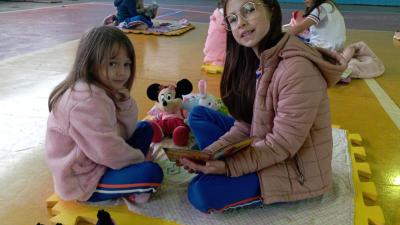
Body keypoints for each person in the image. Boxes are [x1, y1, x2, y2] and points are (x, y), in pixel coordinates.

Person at [179, 0, 347, 213]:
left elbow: (282, 144)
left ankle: (230, 168)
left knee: (201, 192)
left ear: (271, 10)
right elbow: (245, 125)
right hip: (263, 141)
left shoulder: (298, 69)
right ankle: (213, 161)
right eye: (232, 19)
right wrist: (210, 155)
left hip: (293, 167)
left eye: (248, 9)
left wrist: (228, 166)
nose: (240, 23)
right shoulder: (252, 58)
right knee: (199, 115)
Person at [46, 26, 163, 203]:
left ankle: (130, 178)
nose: (122, 72)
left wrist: (124, 103)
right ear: (90, 64)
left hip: (100, 160)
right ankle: (132, 185)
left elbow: (126, 132)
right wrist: (140, 159)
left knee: (146, 127)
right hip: (84, 181)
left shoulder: (101, 89)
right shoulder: (85, 101)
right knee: (152, 173)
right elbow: (106, 150)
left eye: (126, 64)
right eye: (112, 63)